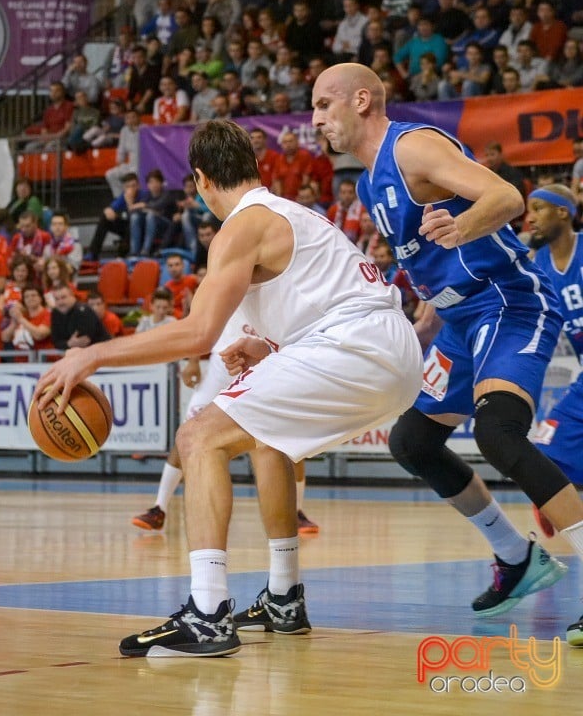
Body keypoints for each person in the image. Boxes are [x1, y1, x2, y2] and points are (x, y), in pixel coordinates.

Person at [33, 119, 423, 658]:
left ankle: (209, 611)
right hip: (386, 352)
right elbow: (328, 302)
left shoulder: (241, 226)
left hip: (358, 348)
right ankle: (284, 597)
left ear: (199, 180)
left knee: (198, 437)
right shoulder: (293, 214)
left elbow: (198, 333)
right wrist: (270, 350)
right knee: (268, 439)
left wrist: (92, 354)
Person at [311, 62, 583, 634]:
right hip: (461, 321)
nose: (315, 120)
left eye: (322, 105)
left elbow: (506, 197)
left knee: (498, 432)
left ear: (361, 100)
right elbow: (427, 261)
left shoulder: (414, 148)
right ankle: (517, 557)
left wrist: (464, 228)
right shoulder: (367, 183)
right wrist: (427, 316)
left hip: (510, 304)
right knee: (412, 440)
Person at [132, 308, 321, 536]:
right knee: (188, 435)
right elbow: (202, 321)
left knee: (287, 444)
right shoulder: (235, 279)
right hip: (220, 369)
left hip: (263, 369)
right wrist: (193, 361)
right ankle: (158, 509)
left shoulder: (284, 291)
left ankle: (297, 512)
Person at [526, 185, 583, 565]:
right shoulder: (539, 267)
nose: (530, 216)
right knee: (543, 450)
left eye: (539, 208)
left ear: (564, 212)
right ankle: (553, 503)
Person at [50, 283, 110, 351]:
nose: (60, 302)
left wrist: (66, 344)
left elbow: (83, 342)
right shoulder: (55, 313)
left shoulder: (83, 311)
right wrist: (69, 344)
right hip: (81, 355)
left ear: (72, 296)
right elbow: (55, 342)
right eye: (56, 299)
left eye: (63, 297)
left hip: (102, 352)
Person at [104, 109, 141, 199]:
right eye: (128, 118)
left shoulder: (145, 129)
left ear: (138, 118)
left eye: (133, 117)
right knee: (110, 174)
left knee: (134, 173)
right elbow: (121, 150)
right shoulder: (124, 130)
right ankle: (121, 198)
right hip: (130, 165)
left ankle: (131, 198)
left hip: (143, 165)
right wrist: (119, 162)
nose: (131, 120)